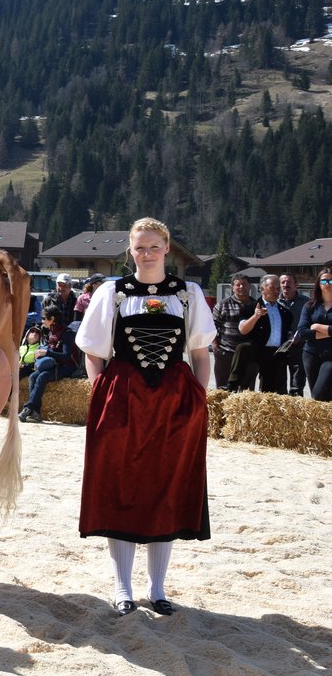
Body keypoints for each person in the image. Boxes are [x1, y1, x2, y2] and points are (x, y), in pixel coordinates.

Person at [76, 217, 215, 616]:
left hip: (173, 401)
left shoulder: (187, 294)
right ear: (130, 251)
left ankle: (157, 588)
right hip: (123, 397)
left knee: (165, 486)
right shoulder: (113, 293)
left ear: (167, 248)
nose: (148, 253)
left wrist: (198, 397)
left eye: (154, 246)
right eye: (140, 247)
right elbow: (93, 351)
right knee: (120, 485)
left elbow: (201, 353)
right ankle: (122, 587)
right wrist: (100, 392)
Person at [18, 304, 81, 422]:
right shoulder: (51, 331)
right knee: (32, 376)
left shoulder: (66, 333)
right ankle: (36, 412)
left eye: (44, 318)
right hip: (54, 364)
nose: (42, 321)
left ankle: (28, 408)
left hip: (68, 366)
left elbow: (66, 356)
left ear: (52, 319)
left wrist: (47, 353)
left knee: (42, 376)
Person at [227, 275, 288, 394]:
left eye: (278, 288)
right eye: (272, 288)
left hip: (275, 352)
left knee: (268, 390)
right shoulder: (250, 307)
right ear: (262, 289)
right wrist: (256, 316)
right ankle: (232, 385)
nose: (276, 291)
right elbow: (243, 329)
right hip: (258, 348)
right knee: (243, 348)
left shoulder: (284, 311)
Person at [211, 275, 256, 390]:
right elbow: (212, 327)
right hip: (226, 353)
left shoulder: (256, 306)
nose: (241, 287)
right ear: (232, 287)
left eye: (244, 284)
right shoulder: (222, 305)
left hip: (248, 354)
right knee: (223, 390)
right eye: (238, 284)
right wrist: (216, 347)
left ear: (250, 286)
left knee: (246, 392)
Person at [296, 268, 332, 401]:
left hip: (330, 356)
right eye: (324, 280)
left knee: (319, 393)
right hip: (311, 354)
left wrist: (317, 326)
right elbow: (302, 332)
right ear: (318, 283)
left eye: (331, 280)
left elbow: (310, 330)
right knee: (317, 397)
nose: (327, 284)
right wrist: (329, 332)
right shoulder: (310, 305)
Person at [279, 273, 311, 396]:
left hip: (300, 347)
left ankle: (295, 410)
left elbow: (311, 324)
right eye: (283, 282)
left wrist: (301, 337)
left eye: (289, 282)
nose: (285, 285)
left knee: (297, 383)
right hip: (280, 347)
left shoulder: (307, 303)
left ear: (296, 285)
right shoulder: (275, 301)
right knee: (279, 383)